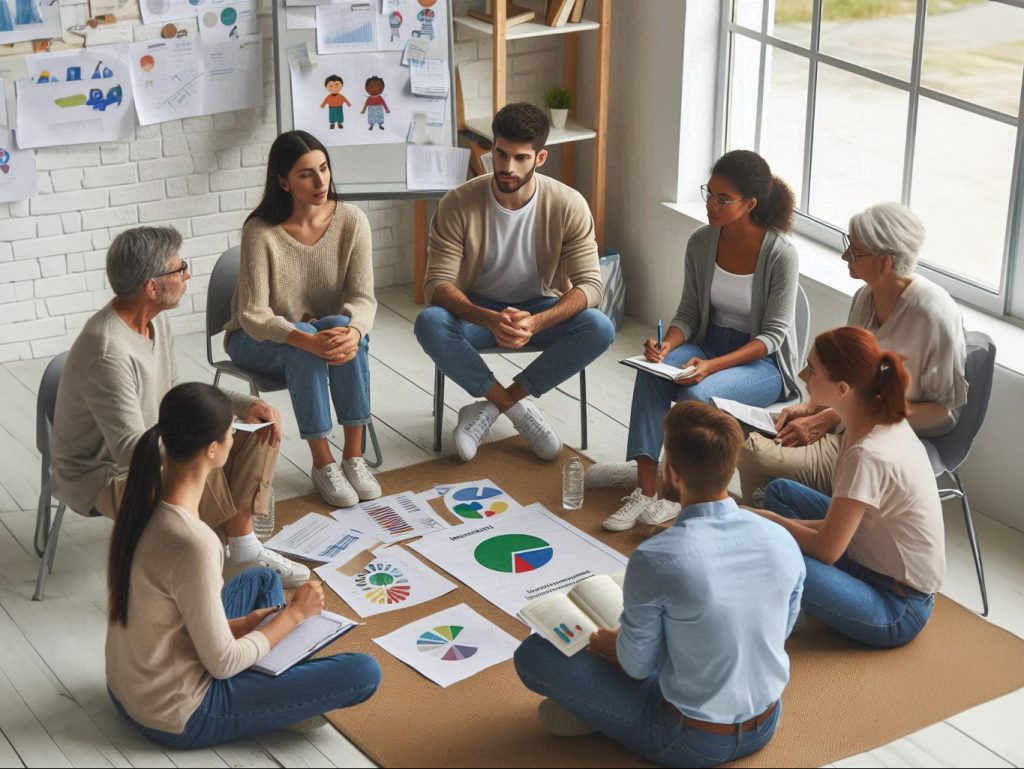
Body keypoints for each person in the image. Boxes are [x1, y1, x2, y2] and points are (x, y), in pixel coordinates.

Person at [514, 401, 805, 768]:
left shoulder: (657, 557)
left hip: (691, 739)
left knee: (534, 656)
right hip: (767, 719)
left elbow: (635, 668)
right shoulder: (779, 538)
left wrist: (609, 646)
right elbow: (781, 630)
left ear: (674, 474)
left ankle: (603, 717)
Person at [106, 382, 381, 749]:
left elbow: (170, 621)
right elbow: (221, 664)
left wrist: (246, 624)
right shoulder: (195, 542)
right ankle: (276, 703)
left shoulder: (142, 499)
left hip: (131, 688)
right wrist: (295, 616)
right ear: (213, 449)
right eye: (231, 433)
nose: (235, 440)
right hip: (180, 713)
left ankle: (273, 687)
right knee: (363, 672)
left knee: (262, 578)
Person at [51, 226, 309, 588]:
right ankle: (226, 552)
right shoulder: (107, 352)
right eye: (179, 269)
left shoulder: (154, 320)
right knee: (204, 450)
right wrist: (206, 440)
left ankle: (241, 548)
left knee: (259, 427)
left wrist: (239, 406)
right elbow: (132, 452)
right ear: (152, 287)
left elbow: (174, 393)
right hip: (103, 476)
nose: (187, 275)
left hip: (151, 443)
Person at [595, 150, 800, 532]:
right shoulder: (702, 242)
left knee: (696, 396)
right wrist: (668, 346)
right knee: (653, 373)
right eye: (710, 193)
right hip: (708, 343)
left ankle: (677, 494)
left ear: (751, 204)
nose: (711, 204)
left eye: (723, 199)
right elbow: (688, 314)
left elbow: (772, 337)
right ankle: (645, 489)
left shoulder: (781, 256)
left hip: (760, 365)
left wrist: (711, 367)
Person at [414, 102, 614, 463]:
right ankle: (513, 408)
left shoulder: (569, 204)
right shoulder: (457, 203)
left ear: (540, 158)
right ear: (492, 148)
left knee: (599, 327)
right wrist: (490, 319)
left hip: (540, 309)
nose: (506, 167)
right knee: (430, 322)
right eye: (500, 154)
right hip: (477, 311)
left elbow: (591, 287)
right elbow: (437, 285)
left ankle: (494, 406)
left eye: (520, 158)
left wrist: (536, 322)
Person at [738, 202, 968, 504]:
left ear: (885, 263)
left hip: (893, 439)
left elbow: (943, 414)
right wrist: (812, 407)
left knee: (754, 455)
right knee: (738, 432)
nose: (846, 256)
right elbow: (848, 380)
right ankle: (780, 521)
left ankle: (805, 527)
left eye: (855, 251)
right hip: (850, 423)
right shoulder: (864, 298)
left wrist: (834, 416)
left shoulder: (933, 315)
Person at [752, 327, 945, 648]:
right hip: (867, 559)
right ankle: (810, 591)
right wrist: (772, 525)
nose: (802, 375)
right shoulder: (872, 420)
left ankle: (785, 600)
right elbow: (836, 534)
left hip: (898, 606)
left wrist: (767, 524)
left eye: (811, 370)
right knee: (780, 493)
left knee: (779, 558)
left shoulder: (867, 453)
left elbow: (828, 548)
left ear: (843, 388)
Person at [224, 130, 381, 509]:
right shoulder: (260, 231)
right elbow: (252, 314)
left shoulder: (352, 221)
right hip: (255, 339)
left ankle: (354, 458)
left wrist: (354, 328)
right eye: (306, 174)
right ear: (283, 181)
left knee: (343, 332)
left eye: (324, 169)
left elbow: (362, 299)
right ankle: (323, 463)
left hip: (320, 334)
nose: (320, 181)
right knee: (308, 339)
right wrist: (304, 339)